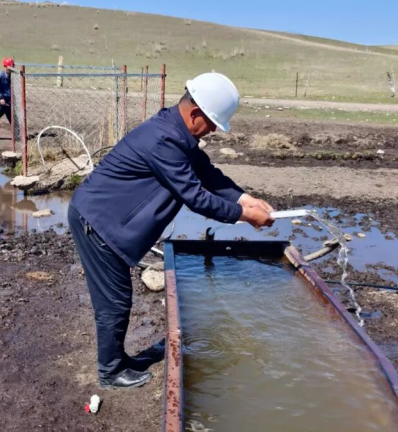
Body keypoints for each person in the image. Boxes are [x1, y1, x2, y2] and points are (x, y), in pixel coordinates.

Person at [68, 72, 275, 390]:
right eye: (212, 124)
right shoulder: (164, 140)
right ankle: (110, 371)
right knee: (115, 301)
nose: (213, 131)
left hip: (109, 219)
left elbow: (208, 174)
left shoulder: (177, 134)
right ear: (195, 113)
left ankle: (118, 360)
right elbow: (195, 196)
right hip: (97, 222)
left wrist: (246, 199)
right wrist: (244, 216)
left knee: (118, 298)